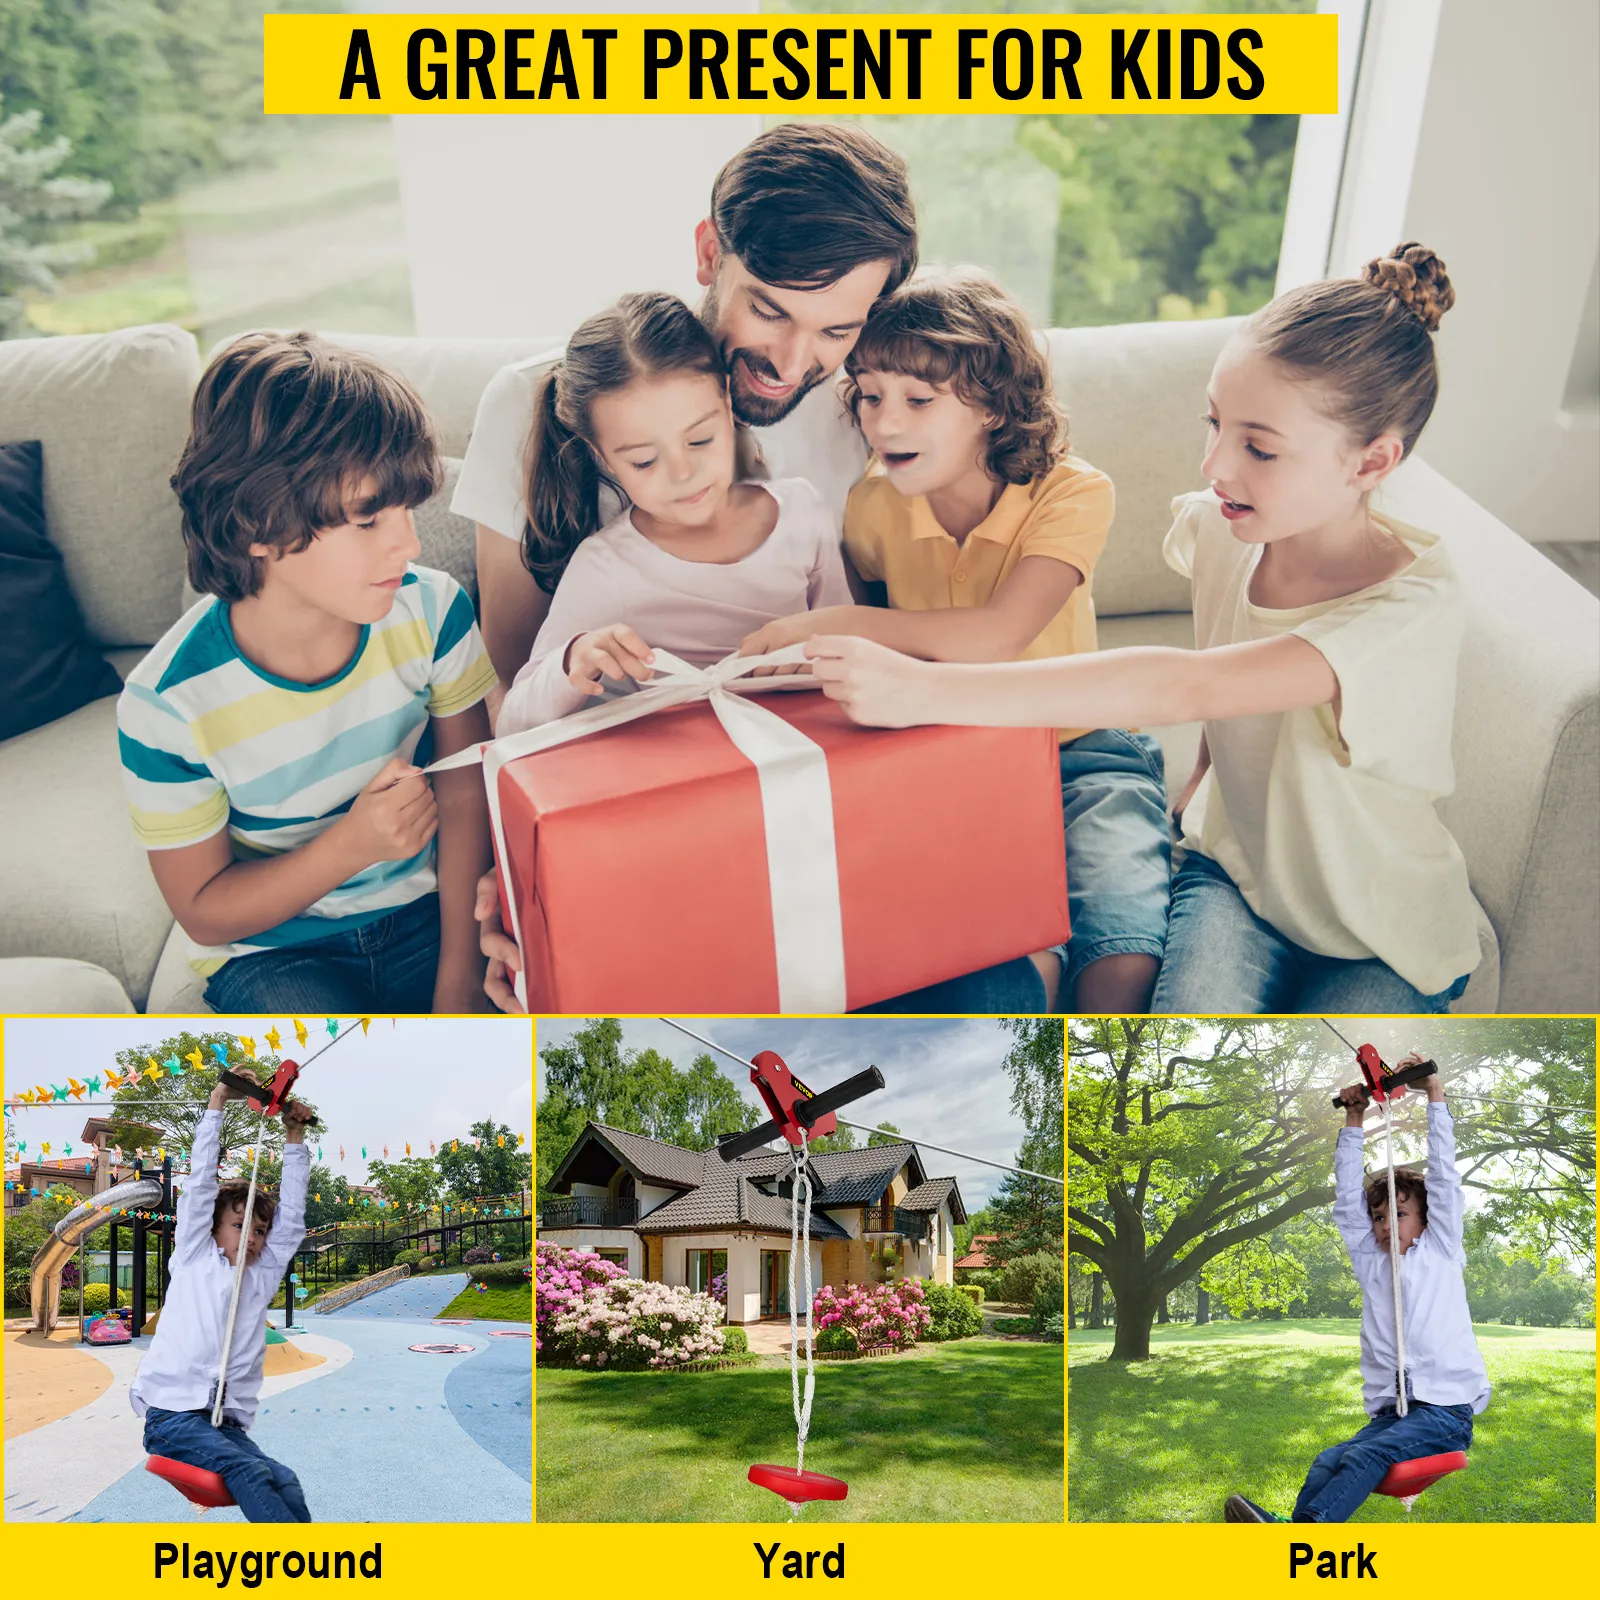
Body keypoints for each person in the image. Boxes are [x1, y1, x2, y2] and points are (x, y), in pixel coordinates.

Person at [804, 244, 1481, 1015]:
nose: (1214, 465)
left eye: (1258, 447)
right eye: (1215, 424)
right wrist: (1197, 791)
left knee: (1324, 1074)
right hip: (1236, 880)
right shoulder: (1225, 530)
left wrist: (921, 686)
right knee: (1163, 1058)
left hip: (1378, 927)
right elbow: (1232, 692)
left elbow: (1185, 685)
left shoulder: (1406, 611)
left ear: (1372, 463)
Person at [465, 121, 917, 1010]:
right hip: (623, 816)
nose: (793, 363)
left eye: (836, 329)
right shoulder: (536, 403)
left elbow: (867, 658)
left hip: (793, 813)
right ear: (710, 253)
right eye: (771, 310)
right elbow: (510, 683)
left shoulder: (865, 414)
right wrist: (513, 874)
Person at [739, 269, 1171, 1013]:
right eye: (869, 396)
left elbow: (999, 635)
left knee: (1122, 956)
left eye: (918, 400)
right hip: (953, 762)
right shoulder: (871, 507)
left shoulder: (1072, 492)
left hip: (1084, 751)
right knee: (1007, 962)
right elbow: (876, 667)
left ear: (993, 406)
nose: (884, 423)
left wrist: (829, 625)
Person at [117, 333, 497, 1013]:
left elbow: (468, 794)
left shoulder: (433, 611)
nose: (408, 543)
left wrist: (460, 982)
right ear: (255, 526)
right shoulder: (167, 705)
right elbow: (204, 912)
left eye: (408, 510)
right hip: (274, 954)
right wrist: (352, 845)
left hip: (431, 917)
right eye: (368, 520)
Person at [495, 291, 849, 735]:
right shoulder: (607, 566)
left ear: (727, 403)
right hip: (673, 773)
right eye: (644, 461)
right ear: (603, 457)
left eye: (700, 440)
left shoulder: (801, 512)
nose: (683, 474)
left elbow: (849, 640)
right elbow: (512, 724)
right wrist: (572, 662)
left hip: (802, 753)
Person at [1224, 1057, 1488, 1522]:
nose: (1386, 1225)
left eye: (1399, 1215)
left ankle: (1300, 1538)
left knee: (1365, 1455)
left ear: (1426, 1220)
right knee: (1328, 1460)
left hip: (1445, 1414)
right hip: (1393, 1415)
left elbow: (1444, 1177)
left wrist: (1435, 1094)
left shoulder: (1441, 1249)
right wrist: (1353, 1118)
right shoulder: (1372, 1263)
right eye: (1380, 1218)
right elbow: (1347, 1202)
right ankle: (1288, 1537)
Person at [131, 1068, 317, 1522]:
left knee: (284, 1479)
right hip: (172, 1418)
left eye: (260, 1231)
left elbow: (292, 1217)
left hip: (221, 1424)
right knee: (248, 1470)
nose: (251, 1237)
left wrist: (294, 1137)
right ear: (213, 1228)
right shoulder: (194, 1256)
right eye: (239, 1225)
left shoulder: (260, 1275)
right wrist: (217, 1101)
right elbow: (200, 1185)